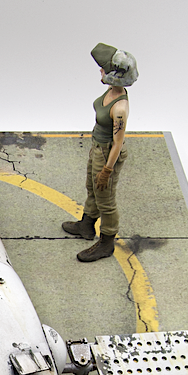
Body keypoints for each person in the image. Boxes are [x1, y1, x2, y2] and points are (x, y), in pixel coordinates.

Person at [62, 43, 139, 262]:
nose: (101, 71)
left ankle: (106, 243)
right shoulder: (111, 91)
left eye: (104, 69)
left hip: (107, 154)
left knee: (106, 199)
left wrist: (107, 170)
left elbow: (118, 143)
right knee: (92, 188)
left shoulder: (120, 108)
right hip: (97, 148)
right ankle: (86, 225)